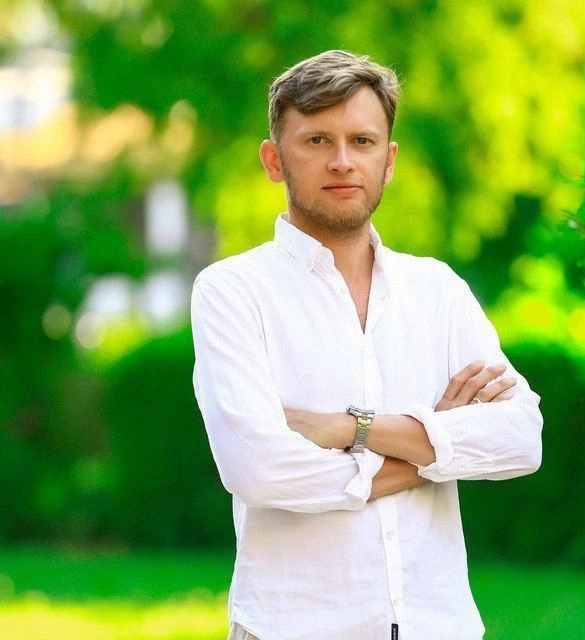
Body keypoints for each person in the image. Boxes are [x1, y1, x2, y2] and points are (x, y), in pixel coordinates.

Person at [190, 50, 543, 640]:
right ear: (274, 160)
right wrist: (435, 449)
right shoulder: (231, 291)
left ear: (389, 159)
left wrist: (350, 428)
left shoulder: (437, 291)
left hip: (439, 626)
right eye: (317, 141)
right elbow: (260, 469)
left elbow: (521, 438)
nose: (343, 161)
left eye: (362, 141)